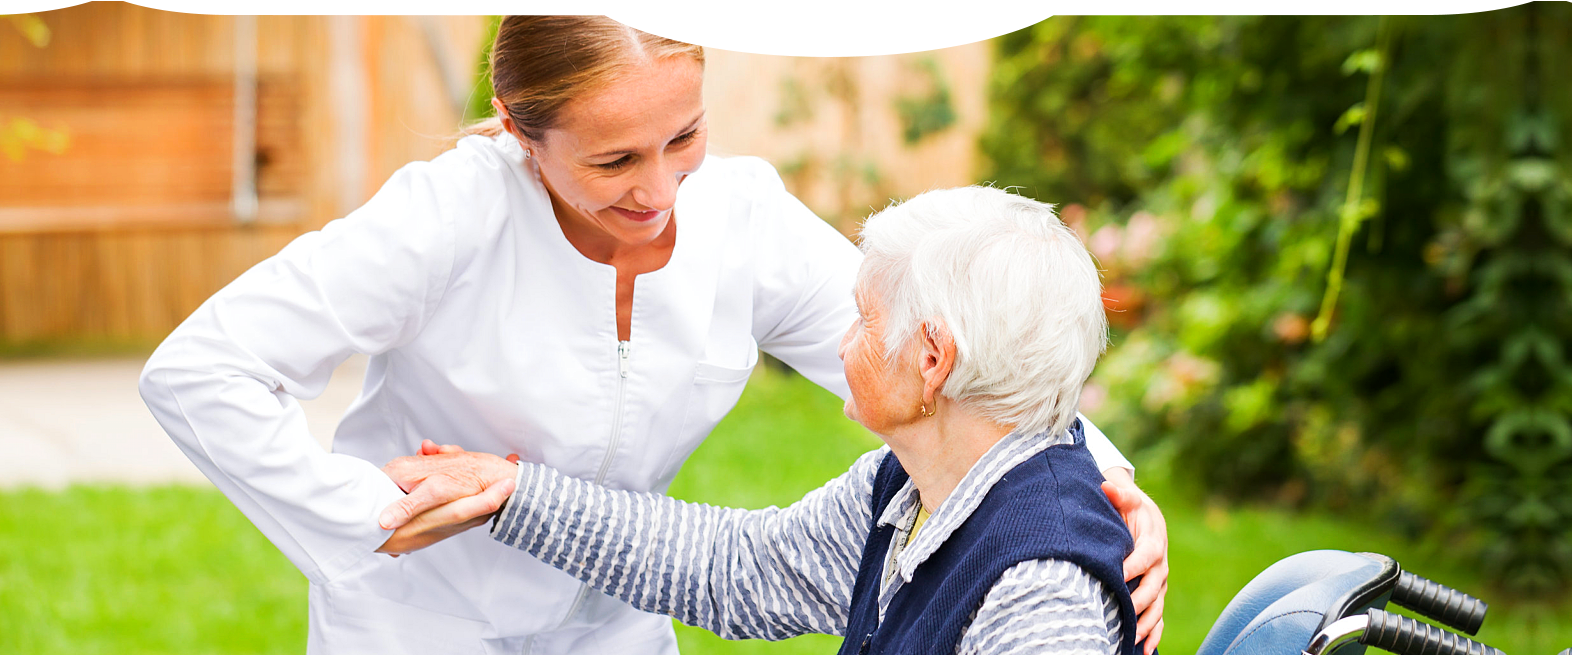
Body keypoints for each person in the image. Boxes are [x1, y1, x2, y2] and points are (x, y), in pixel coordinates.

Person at [137, 15, 1166, 655]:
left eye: (684, 137)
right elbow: (202, 371)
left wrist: (1108, 494)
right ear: (515, 127)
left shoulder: (739, 217)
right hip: (419, 625)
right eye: (614, 160)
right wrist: (366, 514)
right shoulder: (448, 216)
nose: (662, 189)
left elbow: (972, 361)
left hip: (618, 616)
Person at [381, 185, 1144, 655]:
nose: (842, 343)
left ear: (932, 361)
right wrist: (514, 493)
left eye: (864, 321)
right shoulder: (912, 489)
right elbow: (740, 570)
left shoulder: (1040, 593)